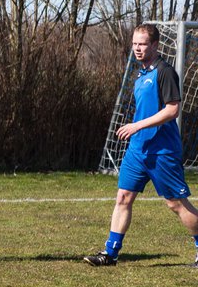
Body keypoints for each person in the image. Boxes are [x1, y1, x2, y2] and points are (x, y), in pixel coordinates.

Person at [84, 24, 198, 267]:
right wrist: (137, 131)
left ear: (155, 45)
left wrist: (138, 126)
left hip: (161, 151)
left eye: (143, 44)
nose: (137, 48)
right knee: (123, 197)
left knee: (175, 204)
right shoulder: (140, 74)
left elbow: (173, 109)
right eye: (135, 43)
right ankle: (110, 254)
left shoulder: (164, 71)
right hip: (137, 150)